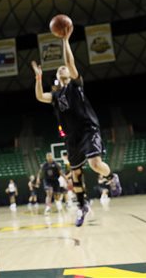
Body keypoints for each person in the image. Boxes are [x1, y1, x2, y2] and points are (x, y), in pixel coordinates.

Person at [31, 24, 122, 227]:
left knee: (95, 164)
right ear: (56, 76)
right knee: (76, 175)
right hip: (71, 137)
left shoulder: (76, 85)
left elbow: (70, 62)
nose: (63, 68)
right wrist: (38, 78)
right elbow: (39, 96)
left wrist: (64, 40)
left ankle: (112, 176)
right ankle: (82, 206)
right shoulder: (55, 96)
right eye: (60, 69)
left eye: (64, 68)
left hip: (89, 129)